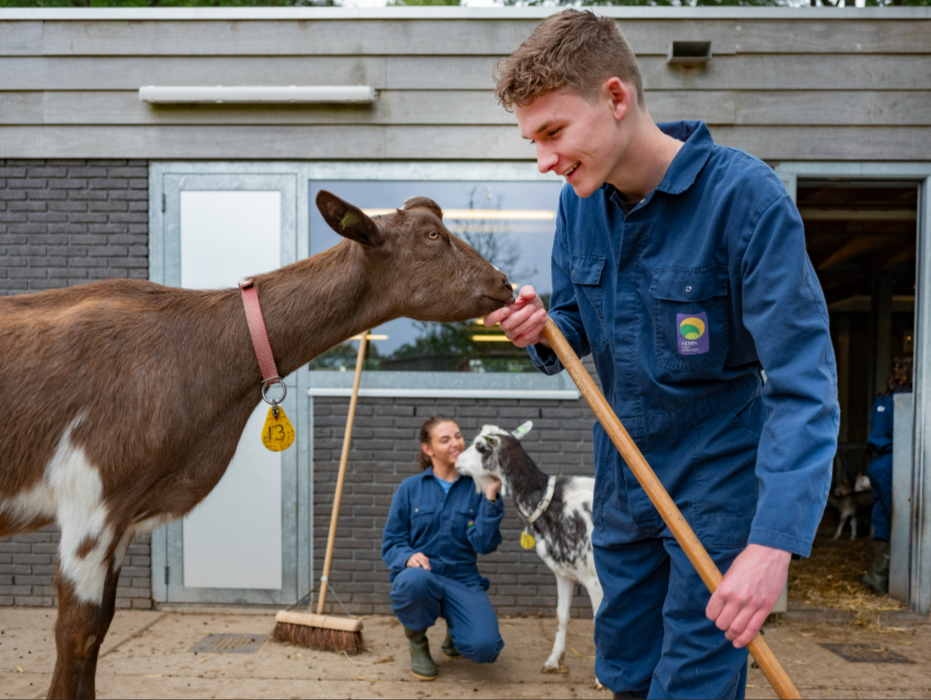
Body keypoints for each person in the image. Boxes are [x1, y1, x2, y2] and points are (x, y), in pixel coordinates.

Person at [484, 10, 838, 699]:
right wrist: (542, 327)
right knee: (625, 677)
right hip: (624, 490)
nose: (544, 160)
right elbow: (576, 319)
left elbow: (805, 388)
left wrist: (771, 544)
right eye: (532, 140)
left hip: (716, 496)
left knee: (692, 687)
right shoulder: (579, 204)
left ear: (616, 99)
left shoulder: (745, 200)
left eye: (553, 133)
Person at [381, 415, 505, 681]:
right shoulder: (410, 489)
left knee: (485, 648)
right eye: (445, 439)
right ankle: (418, 643)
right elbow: (391, 543)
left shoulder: (478, 486)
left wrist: (492, 493)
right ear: (428, 449)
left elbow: (484, 544)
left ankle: (456, 632)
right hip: (423, 575)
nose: (455, 443)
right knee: (414, 581)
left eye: (458, 436)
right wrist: (408, 556)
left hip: (463, 578)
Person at [861, 353, 913, 595]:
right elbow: (905, 432)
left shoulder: (883, 398)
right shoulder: (905, 398)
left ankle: (875, 576)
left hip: (876, 462)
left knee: (882, 515)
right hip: (894, 461)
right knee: (900, 520)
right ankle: (888, 577)